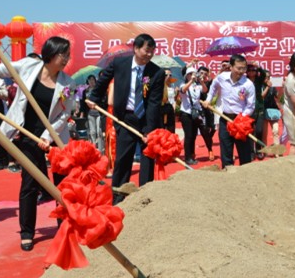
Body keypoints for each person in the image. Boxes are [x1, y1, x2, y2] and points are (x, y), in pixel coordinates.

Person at [0, 36, 75, 251]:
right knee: (30, 183)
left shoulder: (68, 83)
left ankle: (64, 227)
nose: (67, 59)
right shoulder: (29, 66)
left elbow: (64, 114)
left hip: (55, 136)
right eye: (63, 54)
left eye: (68, 55)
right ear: (51, 54)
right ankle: (27, 231)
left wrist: (48, 136)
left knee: (62, 184)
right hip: (27, 133)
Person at [87, 34, 165, 203]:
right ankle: (118, 196)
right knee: (123, 159)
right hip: (125, 118)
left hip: (145, 119)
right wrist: (93, 98)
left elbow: (154, 103)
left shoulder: (157, 72)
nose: (149, 54)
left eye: (152, 51)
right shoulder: (119, 64)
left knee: (147, 159)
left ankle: (145, 197)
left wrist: (149, 131)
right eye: (147, 50)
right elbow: (103, 81)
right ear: (136, 48)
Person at [201, 54, 255, 168]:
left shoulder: (248, 84)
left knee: (244, 153)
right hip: (225, 119)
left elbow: (250, 106)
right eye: (238, 68)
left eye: (244, 68)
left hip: (241, 121)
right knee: (225, 150)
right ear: (231, 67)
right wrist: (208, 100)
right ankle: (227, 171)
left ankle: (246, 174)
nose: (241, 71)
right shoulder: (222, 77)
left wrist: (241, 119)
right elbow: (213, 87)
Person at [179, 66, 207, 165]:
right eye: (190, 74)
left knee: (194, 135)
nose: (192, 75)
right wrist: (191, 80)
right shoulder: (183, 84)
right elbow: (183, 90)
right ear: (186, 75)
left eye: (193, 74)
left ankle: (192, 154)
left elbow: (205, 90)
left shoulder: (197, 86)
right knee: (188, 135)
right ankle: (187, 157)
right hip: (186, 113)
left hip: (196, 113)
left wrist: (202, 81)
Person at [79, 75, 105, 153]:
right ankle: (93, 148)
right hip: (90, 113)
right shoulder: (85, 91)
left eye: (93, 79)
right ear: (87, 81)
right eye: (90, 80)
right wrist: (82, 113)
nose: (91, 81)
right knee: (92, 132)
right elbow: (82, 103)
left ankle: (100, 149)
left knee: (99, 131)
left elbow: (102, 100)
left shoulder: (98, 90)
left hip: (98, 113)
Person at [196, 66, 215, 161]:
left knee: (212, 129)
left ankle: (209, 145)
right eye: (201, 73)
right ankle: (209, 149)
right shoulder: (192, 82)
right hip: (195, 111)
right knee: (201, 131)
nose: (203, 75)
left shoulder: (207, 83)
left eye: (205, 74)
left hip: (207, 110)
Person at [247, 64, 266, 159]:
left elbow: (263, 74)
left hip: (259, 108)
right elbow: (241, 93)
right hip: (248, 109)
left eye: (253, 70)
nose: (251, 72)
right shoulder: (244, 81)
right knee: (250, 131)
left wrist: (258, 67)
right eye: (249, 70)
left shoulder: (259, 80)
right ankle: (251, 151)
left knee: (259, 130)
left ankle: (258, 150)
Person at [262, 71, 282, 151]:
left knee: (276, 131)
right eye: (265, 77)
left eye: (268, 77)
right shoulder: (260, 86)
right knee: (264, 133)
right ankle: (265, 150)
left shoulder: (273, 87)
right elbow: (262, 96)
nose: (267, 79)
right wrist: (267, 87)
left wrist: (282, 88)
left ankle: (276, 151)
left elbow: (278, 97)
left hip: (273, 111)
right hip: (263, 111)